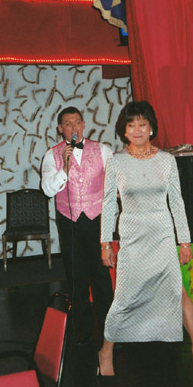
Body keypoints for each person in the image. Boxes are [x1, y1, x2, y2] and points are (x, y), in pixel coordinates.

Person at [98, 100, 193, 378]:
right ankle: (106, 351)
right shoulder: (117, 162)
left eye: (142, 124)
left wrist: (184, 241)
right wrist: (106, 243)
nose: (137, 130)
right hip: (132, 238)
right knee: (124, 297)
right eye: (131, 125)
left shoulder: (167, 160)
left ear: (151, 128)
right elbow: (108, 204)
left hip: (162, 236)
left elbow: (177, 202)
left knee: (178, 292)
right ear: (124, 130)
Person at [41, 106, 114, 346]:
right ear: (60, 128)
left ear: (84, 125)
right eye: (68, 123)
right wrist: (64, 167)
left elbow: (114, 186)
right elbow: (47, 190)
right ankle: (83, 333)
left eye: (77, 122)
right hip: (69, 222)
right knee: (76, 278)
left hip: (97, 221)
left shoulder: (103, 150)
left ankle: (111, 331)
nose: (73, 127)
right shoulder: (51, 155)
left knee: (102, 277)